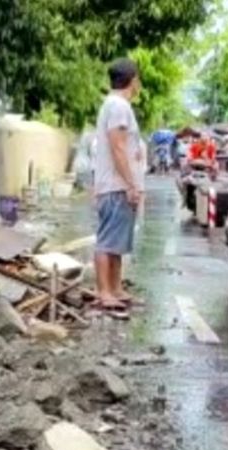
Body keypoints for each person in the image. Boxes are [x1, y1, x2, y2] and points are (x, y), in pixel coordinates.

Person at [92, 57, 145, 319]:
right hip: (116, 185)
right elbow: (118, 147)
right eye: (138, 79)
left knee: (117, 241)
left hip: (115, 184)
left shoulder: (115, 105)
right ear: (132, 80)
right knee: (108, 241)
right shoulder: (118, 107)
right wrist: (130, 183)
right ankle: (105, 291)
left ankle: (115, 288)